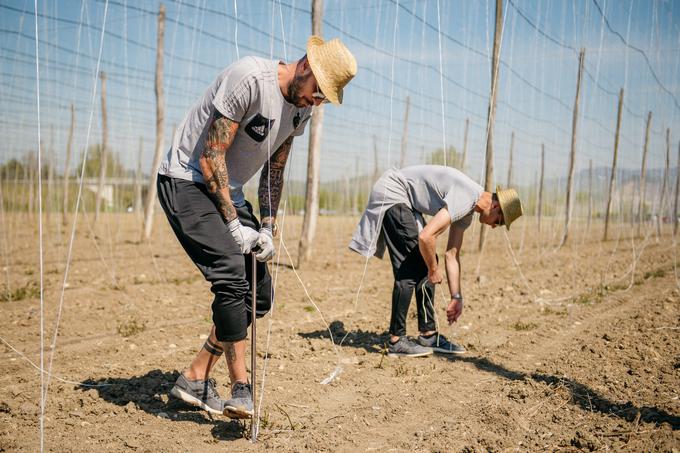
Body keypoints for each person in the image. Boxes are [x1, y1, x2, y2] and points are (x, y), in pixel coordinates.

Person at [156, 36, 357, 418]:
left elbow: (274, 172)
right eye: (318, 92)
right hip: (186, 180)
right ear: (305, 67)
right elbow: (210, 156)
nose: (317, 103)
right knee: (233, 278)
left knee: (259, 295)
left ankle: (196, 376)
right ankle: (240, 388)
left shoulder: (302, 110)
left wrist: (266, 227)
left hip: (227, 189)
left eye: (325, 100)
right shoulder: (249, 79)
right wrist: (235, 228)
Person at [349, 165, 522, 357]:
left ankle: (428, 335)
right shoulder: (467, 197)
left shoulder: (467, 213)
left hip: (407, 202)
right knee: (412, 264)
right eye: (499, 222)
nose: (494, 227)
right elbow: (426, 237)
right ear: (496, 207)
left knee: (427, 259)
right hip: (393, 192)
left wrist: (456, 297)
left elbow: (452, 255)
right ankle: (396, 341)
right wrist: (433, 269)